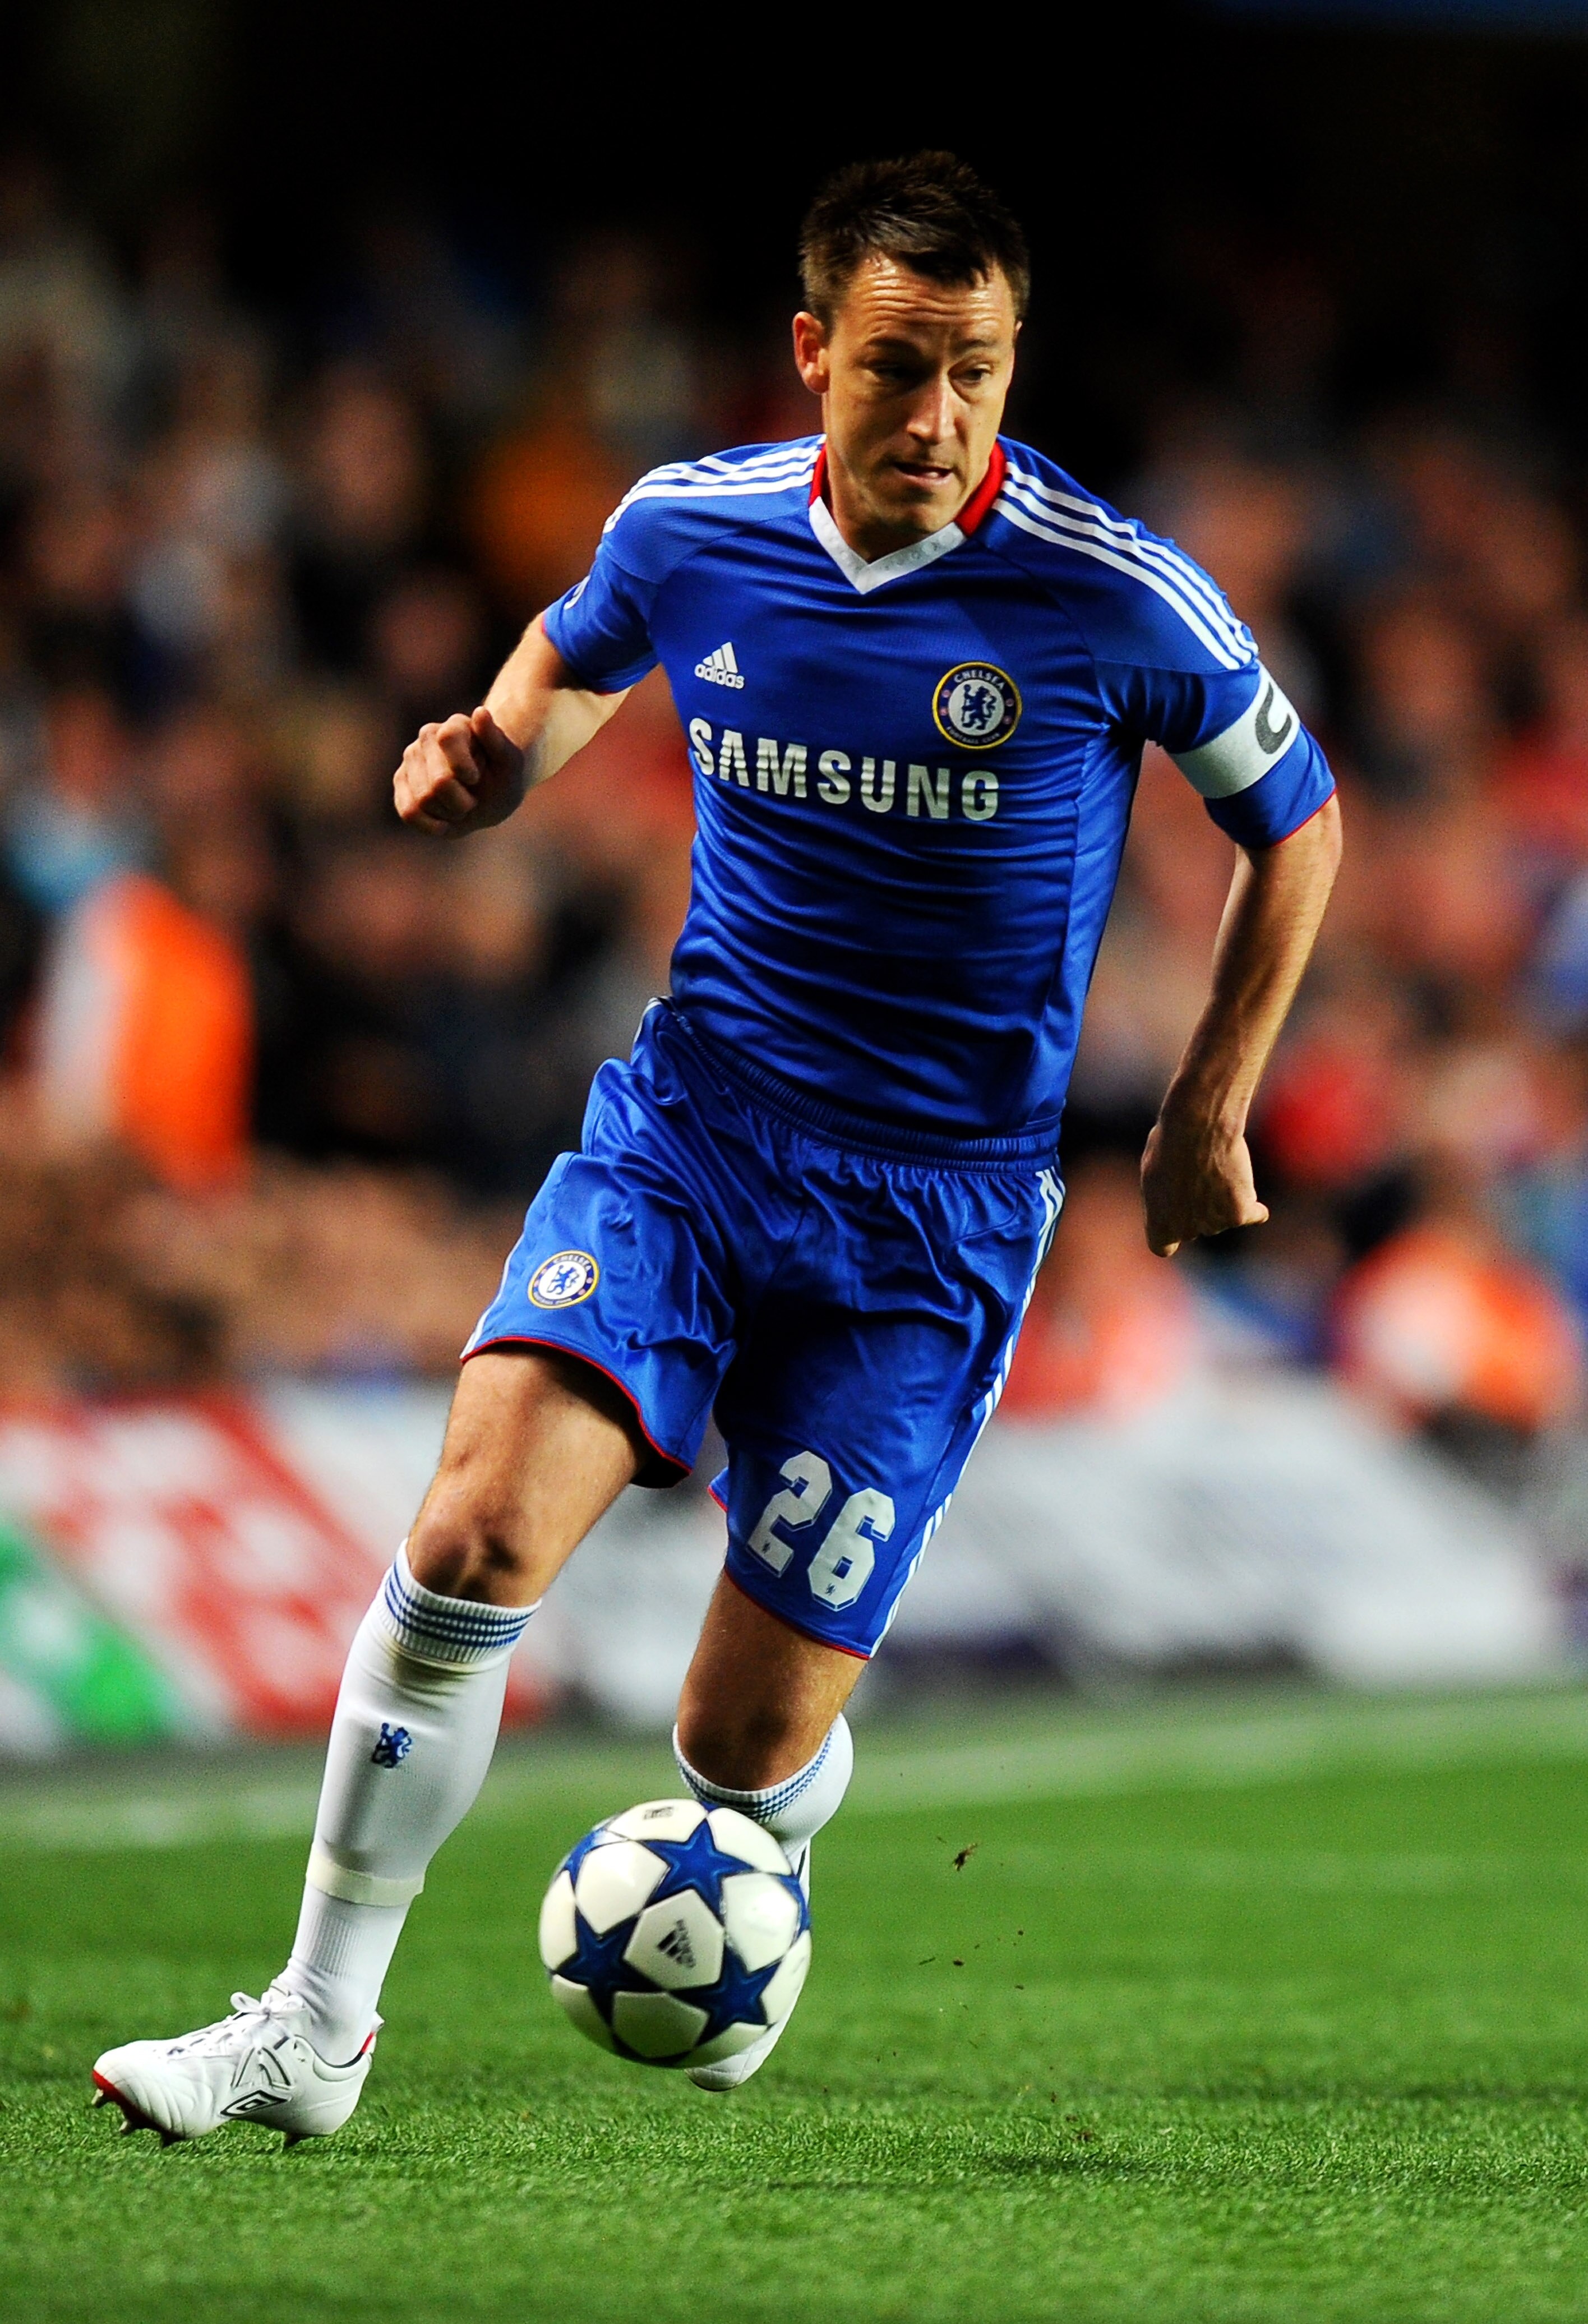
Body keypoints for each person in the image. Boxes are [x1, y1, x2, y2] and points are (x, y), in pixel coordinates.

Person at [91, 151, 1341, 2143]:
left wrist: (1208, 1102)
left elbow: (1300, 815)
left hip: (933, 1220)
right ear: (811, 352)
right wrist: (492, 753)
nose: (937, 419)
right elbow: (578, 648)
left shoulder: (1113, 591)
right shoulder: (698, 526)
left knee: (732, 1740)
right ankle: (308, 2036)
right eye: (898, 366)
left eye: (981, 373)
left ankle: (766, 1818)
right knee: (467, 1537)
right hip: (693, 1130)